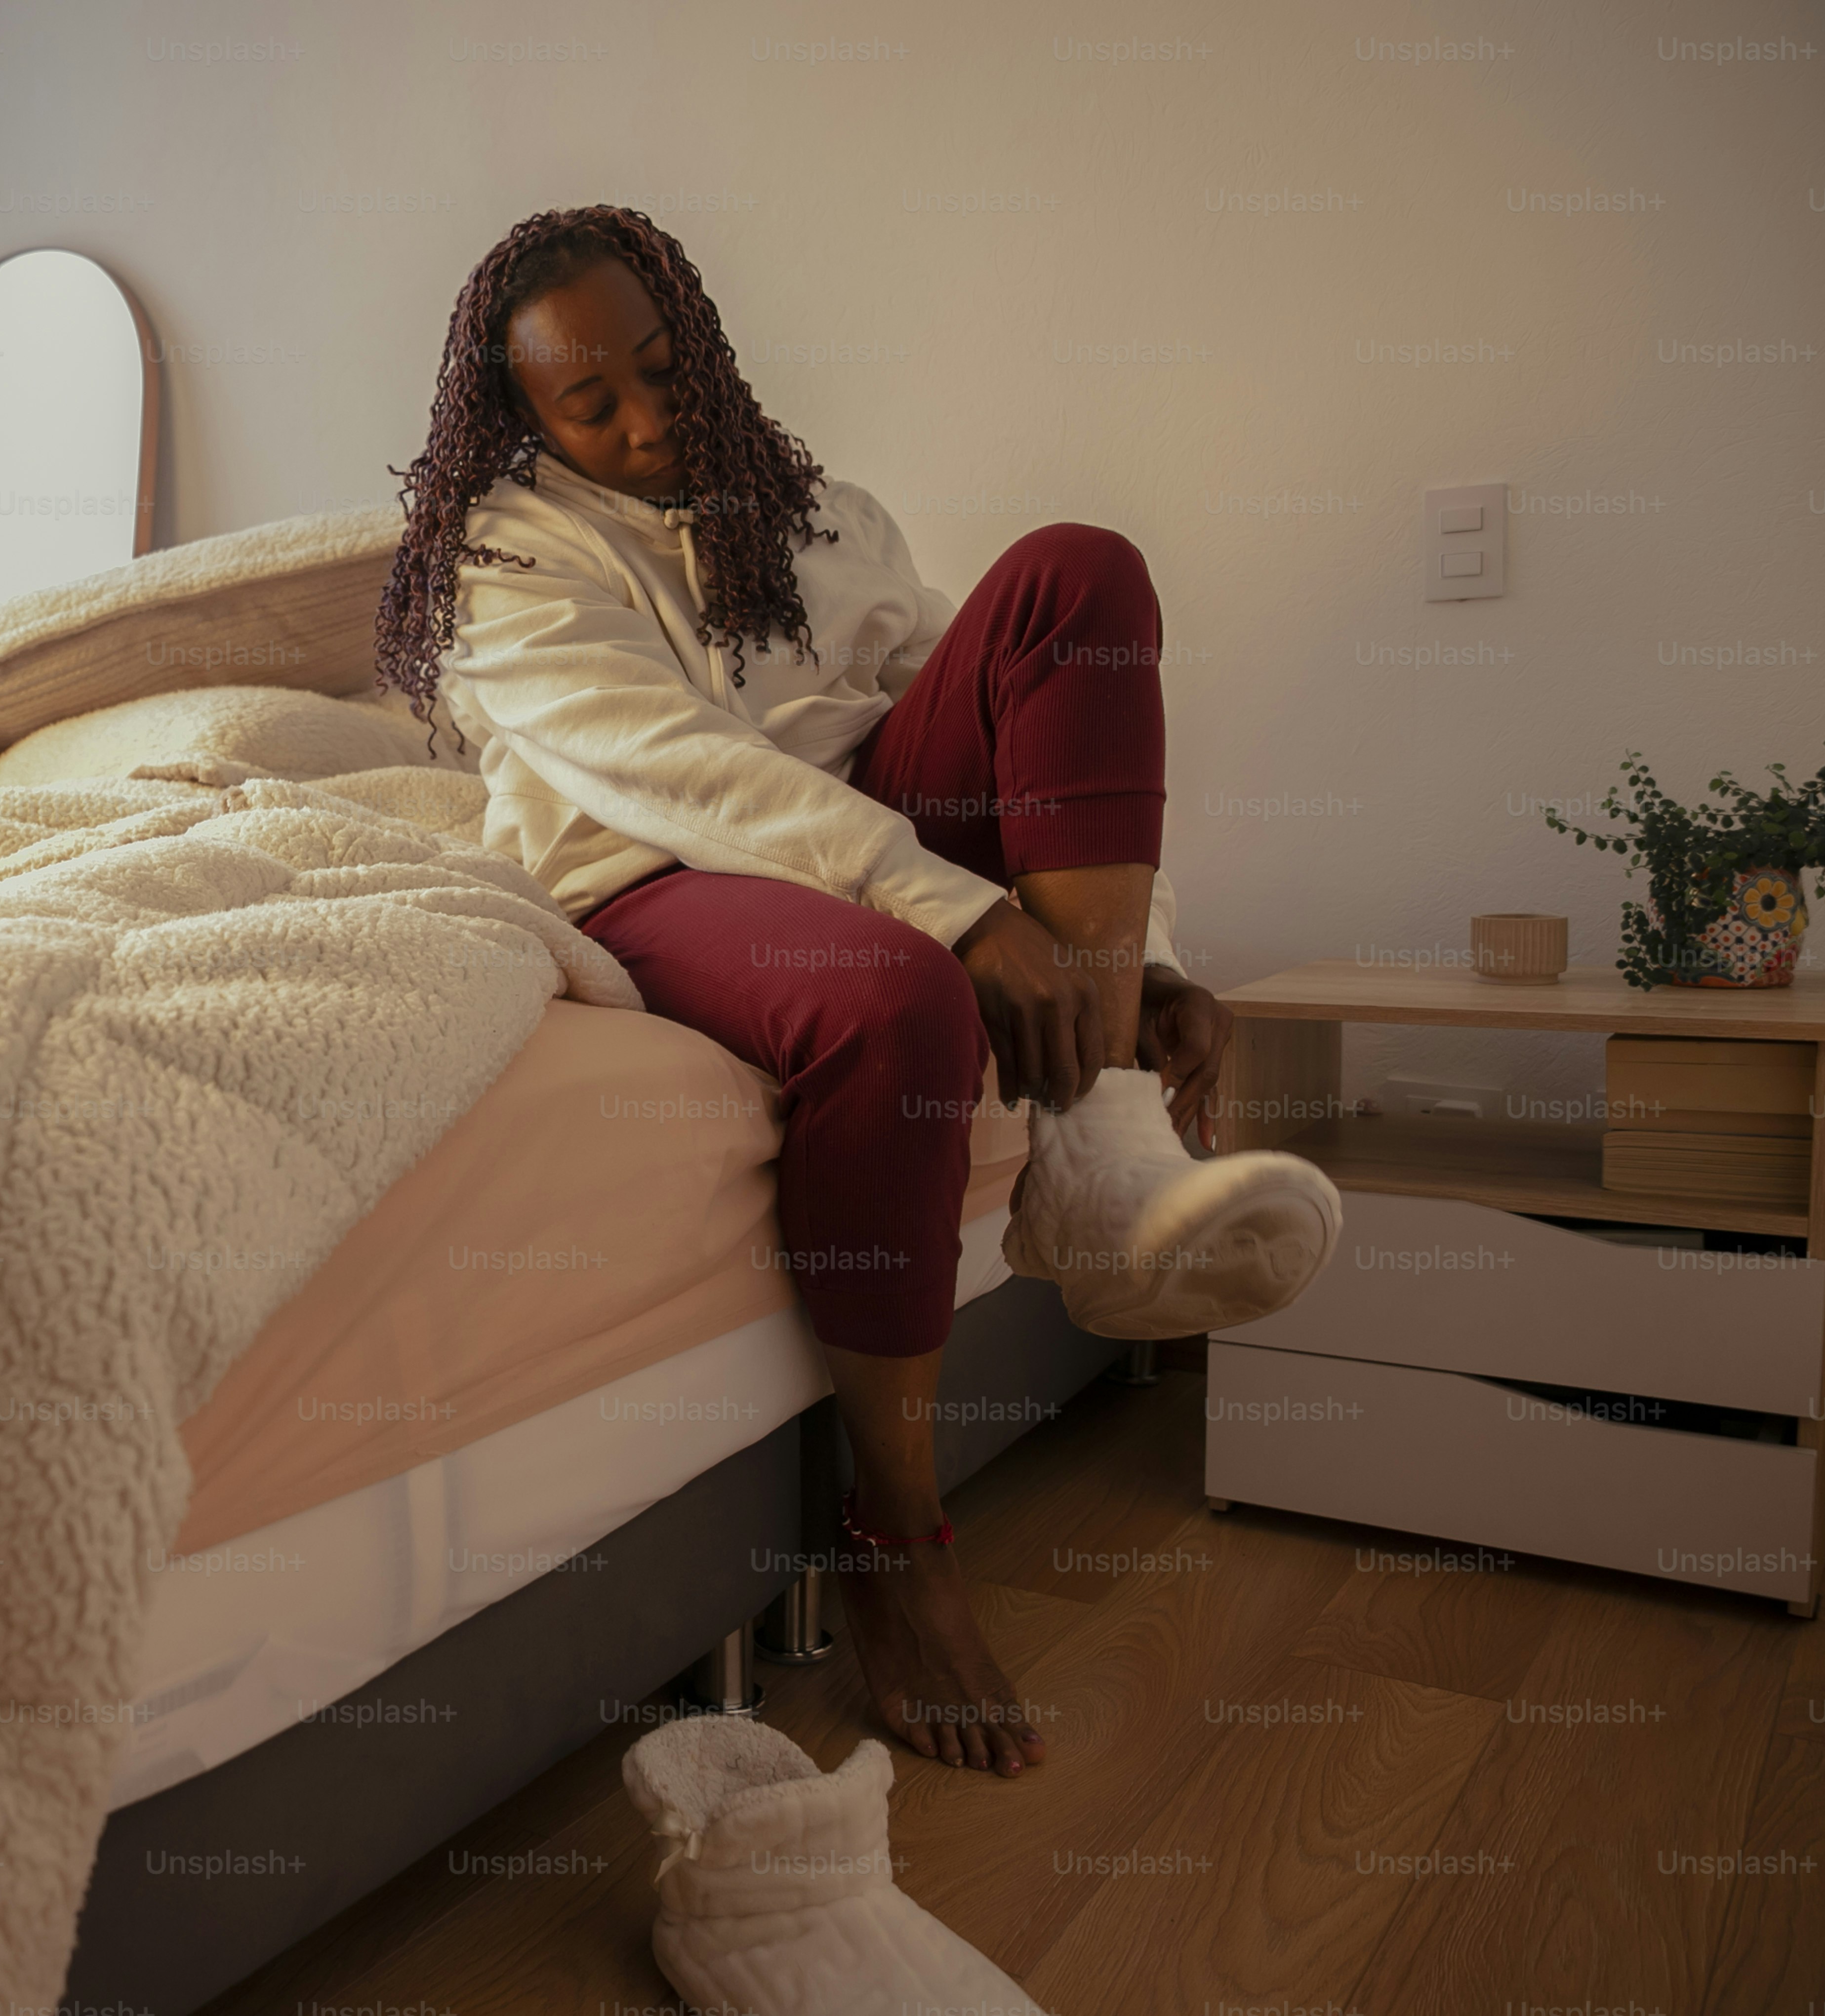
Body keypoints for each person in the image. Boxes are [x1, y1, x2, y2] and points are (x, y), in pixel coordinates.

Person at [375, 206, 1339, 1778]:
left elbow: (1010, 732)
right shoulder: (502, 559)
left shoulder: (819, 511)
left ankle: (1091, 1134)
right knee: (893, 999)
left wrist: (1127, 954)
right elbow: (672, 772)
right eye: (587, 402)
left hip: (877, 824)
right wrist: (952, 913)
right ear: (519, 420)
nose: (640, 416)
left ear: (701, 339)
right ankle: (899, 1539)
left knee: (1073, 579)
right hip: (652, 868)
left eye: (660, 367)